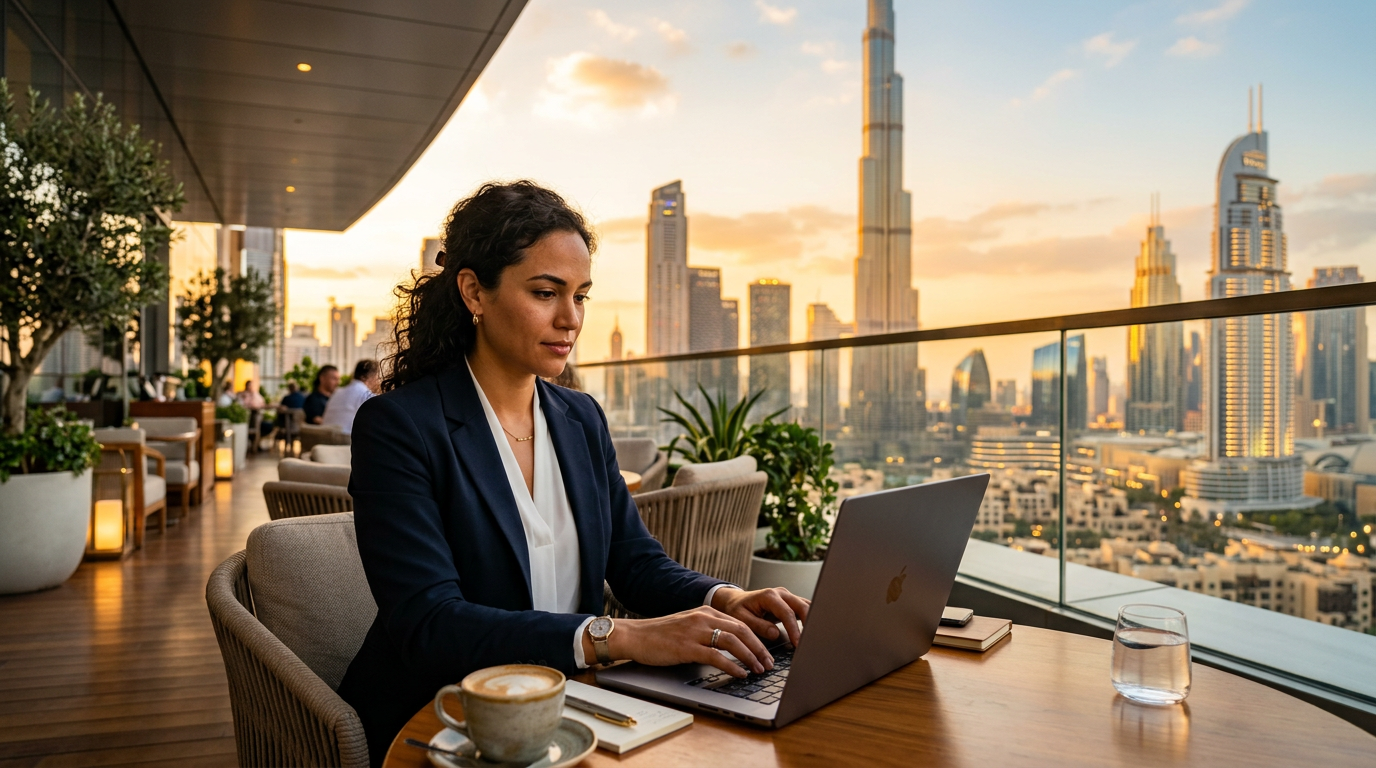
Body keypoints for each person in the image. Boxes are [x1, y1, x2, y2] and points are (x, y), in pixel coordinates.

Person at [338, 181, 810, 764]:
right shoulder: (399, 426)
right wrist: (618, 637)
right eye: (545, 292)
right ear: (473, 292)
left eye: (581, 296)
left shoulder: (580, 416)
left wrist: (725, 598)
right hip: (445, 723)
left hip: (570, 713)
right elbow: (429, 625)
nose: (570, 319)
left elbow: (636, 564)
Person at [321, 359, 379, 435]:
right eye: (377, 377)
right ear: (365, 377)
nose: (379, 381)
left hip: (323, 441)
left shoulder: (337, 392)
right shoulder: (366, 394)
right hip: (346, 443)